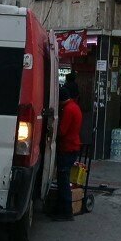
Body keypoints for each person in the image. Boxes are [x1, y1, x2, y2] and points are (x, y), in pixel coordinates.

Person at [52, 85, 82, 222]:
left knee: (63, 181)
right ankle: (61, 209)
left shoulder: (68, 110)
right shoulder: (74, 107)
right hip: (73, 146)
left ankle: (66, 212)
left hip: (67, 148)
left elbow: (62, 131)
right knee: (64, 179)